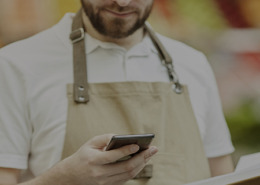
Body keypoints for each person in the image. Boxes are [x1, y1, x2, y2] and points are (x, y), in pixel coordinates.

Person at [0, 0, 235, 184]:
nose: (122, 2)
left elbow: (222, 173)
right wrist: (63, 180)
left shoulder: (193, 63)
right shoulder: (17, 65)